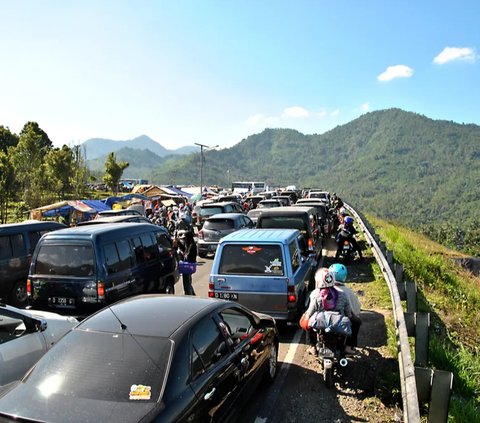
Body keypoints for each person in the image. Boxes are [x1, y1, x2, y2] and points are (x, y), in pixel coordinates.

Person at [303, 268, 352, 354]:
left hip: (321, 324)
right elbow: (348, 312)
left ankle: (312, 346)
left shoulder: (316, 296)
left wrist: (306, 316)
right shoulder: (342, 295)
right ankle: (348, 347)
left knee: (307, 321)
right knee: (354, 322)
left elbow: (309, 313)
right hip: (338, 324)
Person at [329, 263, 362, 354]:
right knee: (357, 322)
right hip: (341, 319)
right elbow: (356, 309)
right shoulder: (348, 292)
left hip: (326, 319)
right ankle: (348, 347)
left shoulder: (324, 289)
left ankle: (313, 345)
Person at [176, 230, 197, 295]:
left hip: (189, 266)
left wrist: (182, 255)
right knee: (188, 282)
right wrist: (178, 242)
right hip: (186, 266)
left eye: (185, 238)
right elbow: (184, 249)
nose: (184, 240)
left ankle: (189, 295)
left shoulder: (192, 246)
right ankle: (192, 294)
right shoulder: (188, 245)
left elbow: (187, 255)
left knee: (187, 283)